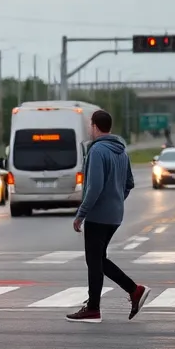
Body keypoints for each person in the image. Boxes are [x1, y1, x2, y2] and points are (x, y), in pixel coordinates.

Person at [68, 109, 151, 323]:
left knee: (94, 261)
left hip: (97, 215)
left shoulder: (97, 151)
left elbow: (94, 188)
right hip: (114, 215)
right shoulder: (121, 151)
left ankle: (95, 308)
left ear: (95, 126)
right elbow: (129, 183)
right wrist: (116, 200)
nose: (89, 128)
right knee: (98, 259)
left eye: (89, 125)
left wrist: (81, 214)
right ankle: (133, 291)